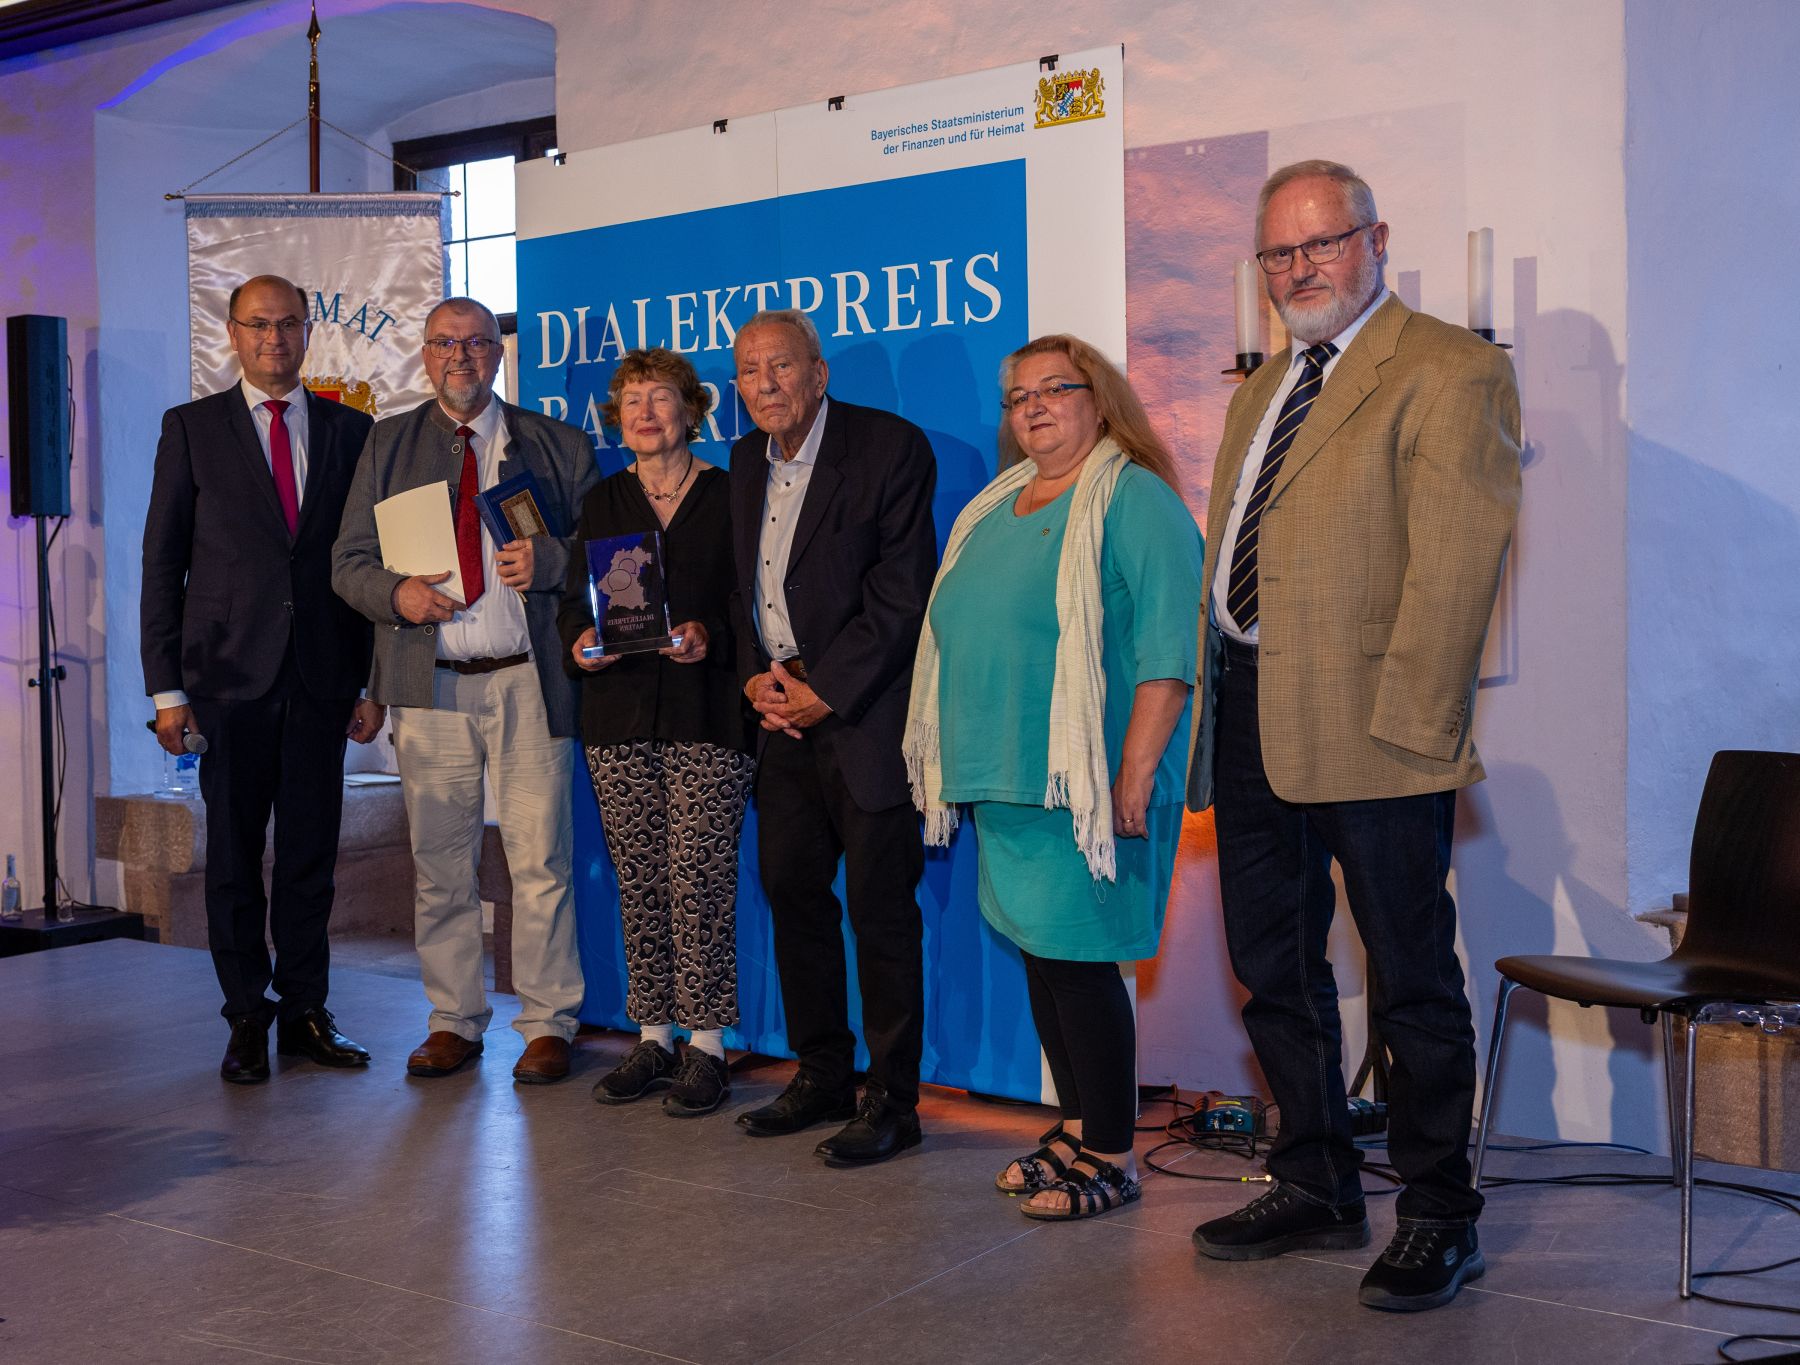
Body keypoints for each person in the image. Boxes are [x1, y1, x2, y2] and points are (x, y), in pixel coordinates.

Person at [1186, 161, 1521, 1311]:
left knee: (1410, 979)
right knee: (1272, 970)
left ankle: (1437, 1215)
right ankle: (1316, 1179)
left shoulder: (1448, 367)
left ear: (1376, 240)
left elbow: (1456, 570)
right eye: (1278, 253)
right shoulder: (1260, 389)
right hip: (1248, 713)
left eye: (1320, 244)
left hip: (1377, 726)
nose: (1299, 270)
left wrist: (1417, 734)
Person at [904, 334, 1202, 1220]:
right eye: (1017, 396)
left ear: (1100, 401)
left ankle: (1112, 1150)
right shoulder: (996, 504)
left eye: (1054, 389)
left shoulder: (1134, 498)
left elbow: (1171, 647)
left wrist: (1135, 771)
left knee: (1079, 959)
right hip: (1005, 772)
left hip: (1090, 783)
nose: (1031, 407)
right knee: (1043, 955)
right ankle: (1076, 1124)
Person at [332, 296, 598, 1084]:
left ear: (498, 354)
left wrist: (551, 562)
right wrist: (398, 594)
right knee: (440, 863)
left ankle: (548, 1022)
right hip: (430, 684)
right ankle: (453, 1019)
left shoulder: (557, 444)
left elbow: (608, 557)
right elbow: (347, 563)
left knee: (541, 859)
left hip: (529, 681)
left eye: (478, 342)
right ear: (425, 355)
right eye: (445, 343)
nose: (462, 356)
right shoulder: (388, 443)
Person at [141, 273, 383, 1083]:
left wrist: (371, 680)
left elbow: (368, 562)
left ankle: (307, 1009)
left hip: (322, 677)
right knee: (235, 859)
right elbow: (162, 563)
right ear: (233, 333)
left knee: (311, 855)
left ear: (308, 331)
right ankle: (247, 1015)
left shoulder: (351, 430)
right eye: (258, 325)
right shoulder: (191, 429)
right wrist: (166, 691)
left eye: (287, 324)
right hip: (225, 679)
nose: (274, 338)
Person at [727, 308, 938, 1165]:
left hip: (866, 718)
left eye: (781, 366)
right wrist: (755, 677)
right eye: (749, 371)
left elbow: (903, 592)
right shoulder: (742, 461)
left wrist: (825, 689)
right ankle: (821, 1074)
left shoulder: (889, 448)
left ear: (818, 373)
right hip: (780, 721)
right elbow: (744, 593)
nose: (765, 384)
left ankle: (893, 1100)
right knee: (794, 897)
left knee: (882, 912)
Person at [557, 348, 753, 1117]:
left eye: (660, 397)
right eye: (631, 400)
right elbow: (574, 603)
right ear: (616, 418)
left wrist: (712, 636)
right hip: (619, 718)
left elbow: (753, 603)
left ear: (691, 410)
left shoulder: (731, 495)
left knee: (699, 878)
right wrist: (580, 641)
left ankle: (707, 1046)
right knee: (639, 879)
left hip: (708, 713)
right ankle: (653, 1036)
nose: (644, 412)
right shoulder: (602, 500)